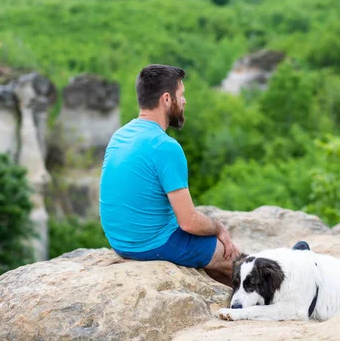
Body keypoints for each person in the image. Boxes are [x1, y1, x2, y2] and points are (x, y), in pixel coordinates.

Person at [99, 64, 240, 286]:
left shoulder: (120, 135)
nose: (184, 102)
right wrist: (218, 227)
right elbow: (189, 222)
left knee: (214, 266)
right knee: (236, 260)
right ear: (167, 99)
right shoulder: (165, 146)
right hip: (151, 245)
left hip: (121, 242)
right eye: (181, 95)